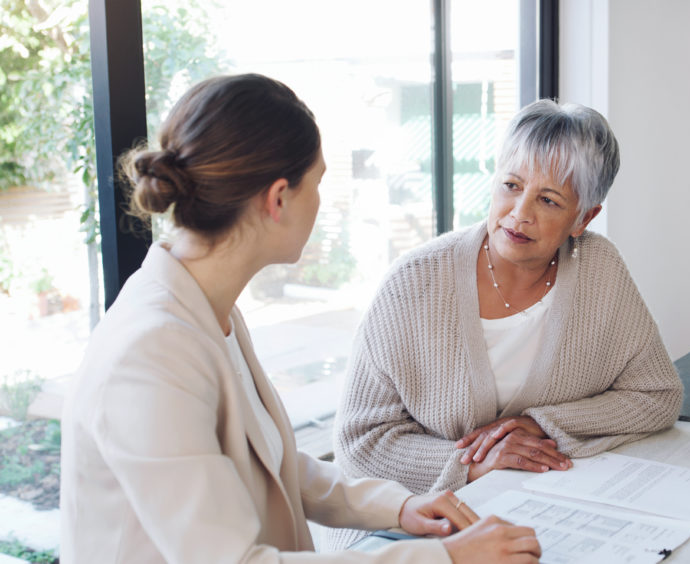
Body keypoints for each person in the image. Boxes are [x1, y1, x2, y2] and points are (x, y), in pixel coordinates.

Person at [59, 73, 541, 564]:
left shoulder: (206, 308)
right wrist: (448, 557)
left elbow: (271, 460)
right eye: (319, 182)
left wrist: (400, 507)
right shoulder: (150, 355)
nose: (320, 202)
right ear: (279, 199)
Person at [328, 99, 683, 549]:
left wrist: (542, 424)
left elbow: (657, 395)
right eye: (511, 185)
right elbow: (359, 446)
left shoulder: (600, 269)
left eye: (548, 200)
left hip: (537, 512)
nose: (520, 213)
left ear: (584, 217)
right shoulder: (414, 282)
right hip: (403, 527)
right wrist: (474, 465)